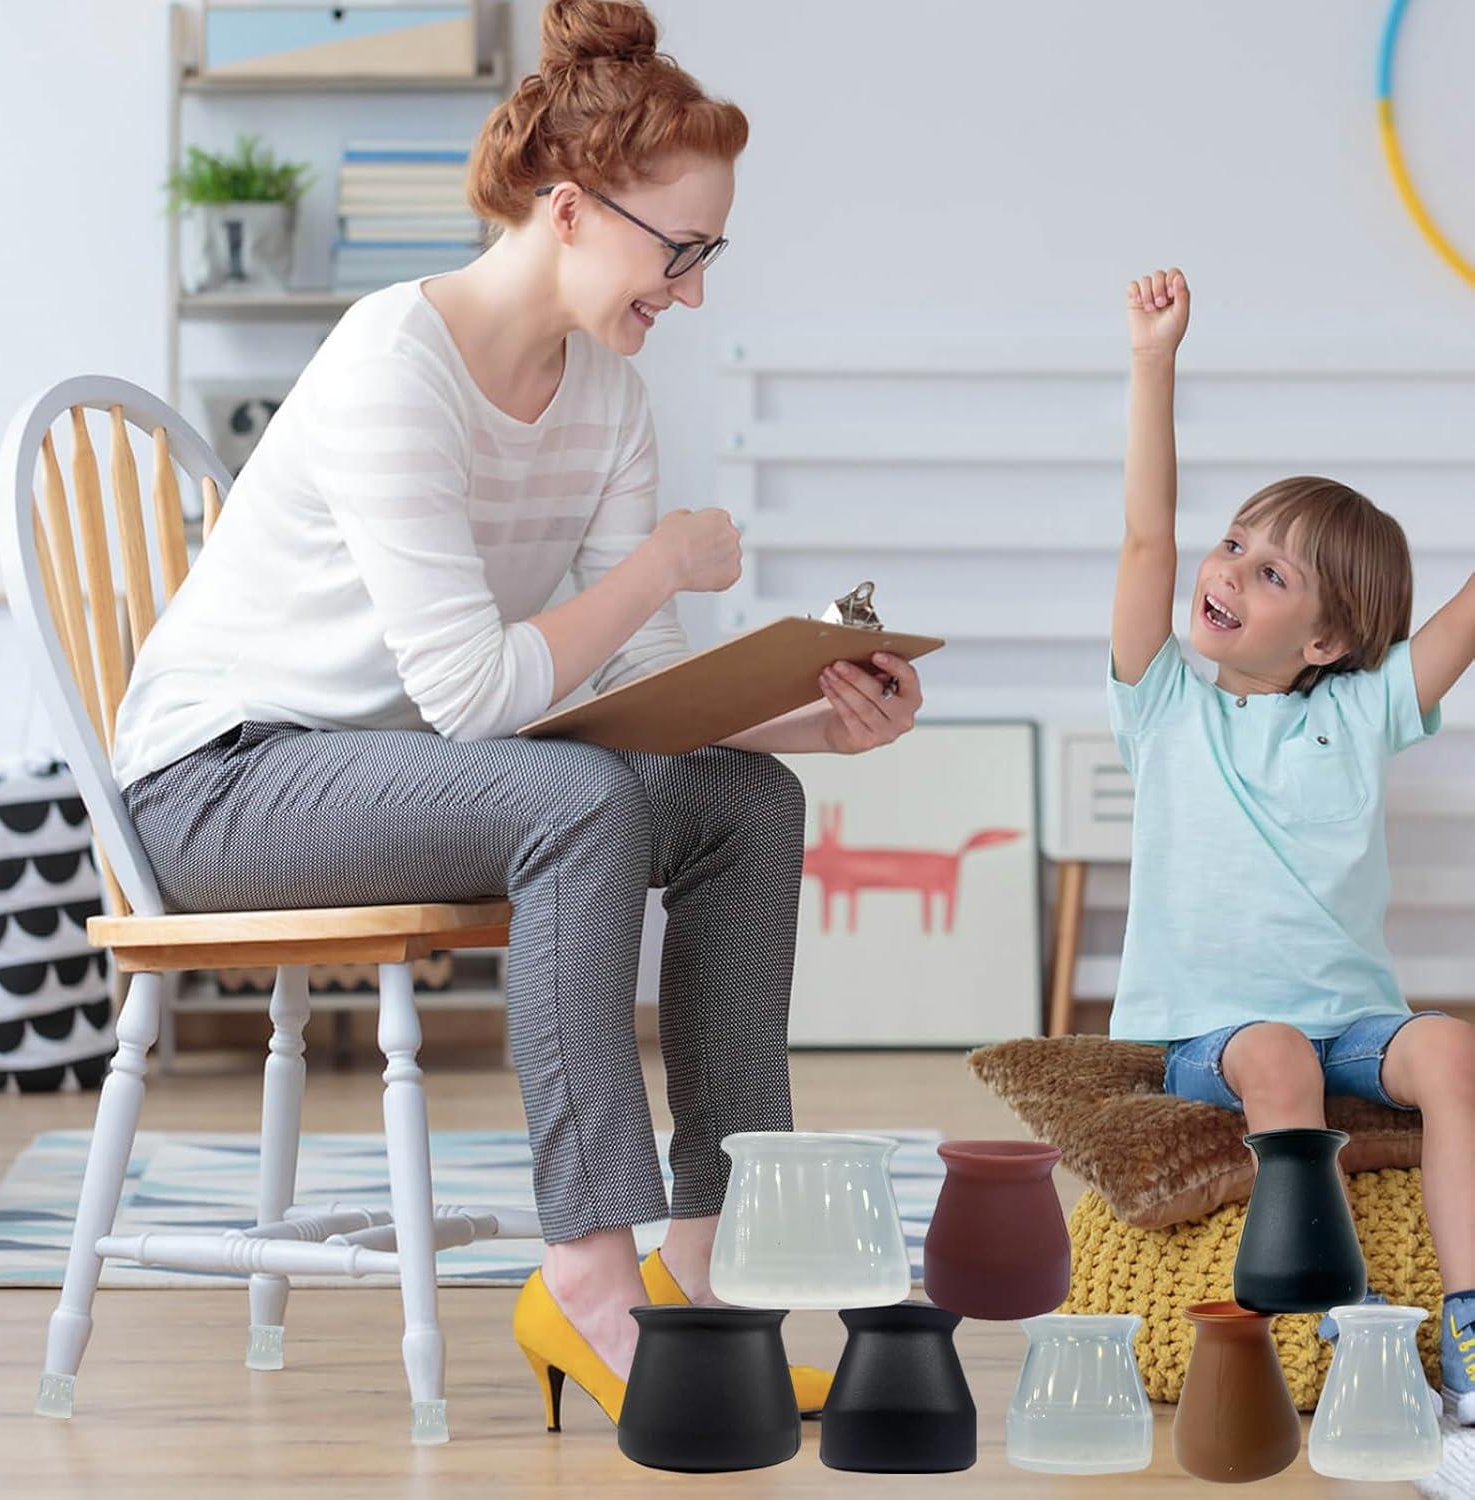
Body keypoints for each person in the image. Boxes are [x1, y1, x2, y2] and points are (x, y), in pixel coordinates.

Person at [111, 0, 923, 1430]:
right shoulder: (390, 367)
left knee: (743, 806)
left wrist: (810, 719)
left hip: (405, 774)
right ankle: (588, 1274)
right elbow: (478, 695)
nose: (691, 291)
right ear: (568, 209)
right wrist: (667, 560)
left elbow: (632, 697)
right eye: (678, 253)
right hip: (219, 785)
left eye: (706, 254)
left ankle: (709, 1276)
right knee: (580, 803)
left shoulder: (606, 396)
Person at [1109, 264, 1475, 1424]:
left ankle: (1470, 1320)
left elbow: (1463, 620)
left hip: (1352, 1019)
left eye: (1271, 573)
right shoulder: (1165, 702)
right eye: (1234, 546)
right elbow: (1142, 541)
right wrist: (1154, 365)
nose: (1225, 572)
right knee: (1276, 1056)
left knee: (1453, 1055)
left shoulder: (1361, 713)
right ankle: (1327, 1320)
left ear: (1328, 637)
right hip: (1217, 1031)